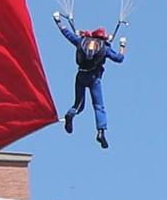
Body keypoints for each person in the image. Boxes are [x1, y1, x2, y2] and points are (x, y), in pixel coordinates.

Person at [52, 12, 127, 149]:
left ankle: (70, 114)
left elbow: (67, 34)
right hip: (94, 79)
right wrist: (122, 46)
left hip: (81, 76)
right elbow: (119, 59)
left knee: (79, 105)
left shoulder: (82, 41)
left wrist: (58, 21)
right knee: (98, 106)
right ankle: (100, 132)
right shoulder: (105, 47)